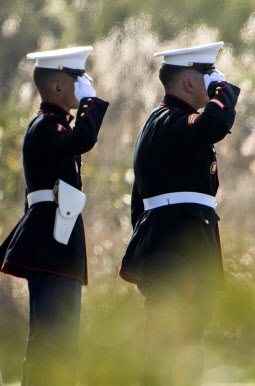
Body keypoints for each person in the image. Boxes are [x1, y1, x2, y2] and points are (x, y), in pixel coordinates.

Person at [119, 41, 240, 386]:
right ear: (189, 83)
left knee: (172, 346)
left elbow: (137, 203)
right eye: (208, 74)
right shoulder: (172, 122)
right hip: (179, 254)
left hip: (167, 248)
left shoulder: (161, 125)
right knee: (179, 349)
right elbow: (214, 123)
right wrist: (223, 89)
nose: (215, 82)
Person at [0, 46, 109, 386]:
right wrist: (92, 105)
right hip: (50, 243)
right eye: (79, 80)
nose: (85, 86)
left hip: (55, 241)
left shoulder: (54, 125)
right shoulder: (46, 126)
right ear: (58, 88)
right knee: (52, 338)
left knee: (60, 338)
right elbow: (83, 140)